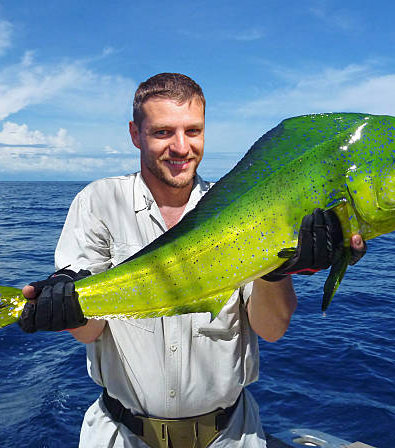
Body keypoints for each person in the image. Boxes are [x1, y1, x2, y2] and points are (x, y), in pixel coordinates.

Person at [19, 73, 366, 448]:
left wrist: (277, 272)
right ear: (136, 134)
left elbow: (271, 330)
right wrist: (66, 307)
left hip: (230, 437)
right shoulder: (99, 202)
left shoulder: (243, 211)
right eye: (163, 132)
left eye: (194, 131)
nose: (181, 147)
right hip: (122, 436)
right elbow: (89, 332)